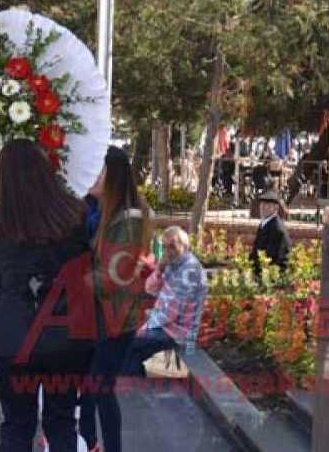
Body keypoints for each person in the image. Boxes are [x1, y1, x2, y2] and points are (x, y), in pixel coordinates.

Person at [0, 139, 93, 452]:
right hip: (65, 335)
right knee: (61, 421)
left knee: (16, 425)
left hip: (13, 337)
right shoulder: (75, 215)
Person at [79, 147, 153, 452]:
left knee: (99, 387)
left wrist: (71, 281)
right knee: (91, 387)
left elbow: (114, 274)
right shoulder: (101, 209)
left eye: (98, 171)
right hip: (101, 316)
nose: (93, 177)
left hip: (116, 319)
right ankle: (90, 443)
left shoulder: (130, 218)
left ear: (113, 176)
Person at [122, 226, 206, 375]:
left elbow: (172, 312)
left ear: (185, 247)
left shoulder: (189, 270)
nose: (167, 251)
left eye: (172, 246)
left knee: (130, 344)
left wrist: (146, 327)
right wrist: (159, 269)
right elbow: (150, 288)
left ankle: (135, 391)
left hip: (179, 331)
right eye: (164, 246)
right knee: (126, 345)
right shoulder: (173, 263)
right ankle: (135, 389)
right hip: (166, 325)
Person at [251, 190, 292, 277]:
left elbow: (272, 256)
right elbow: (256, 250)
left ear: (276, 208)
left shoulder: (276, 228)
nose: (263, 207)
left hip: (272, 274)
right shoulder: (265, 223)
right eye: (262, 204)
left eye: (267, 205)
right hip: (263, 270)